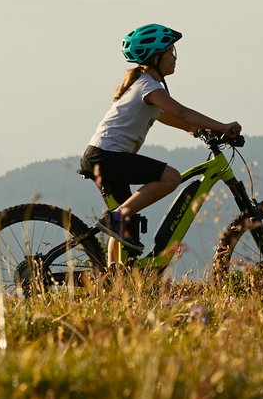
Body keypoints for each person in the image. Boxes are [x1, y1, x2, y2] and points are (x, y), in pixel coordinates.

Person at [80, 24, 242, 253]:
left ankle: (112, 280)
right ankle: (115, 219)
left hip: (101, 156)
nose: (174, 58)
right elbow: (182, 112)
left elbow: (166, 117)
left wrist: (195, 130)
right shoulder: (149, 86)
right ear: (155, 57)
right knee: (171, 178)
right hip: (107, 157)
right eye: (170, 53)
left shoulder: (145, 85)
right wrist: (222, 127)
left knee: (125, 225)